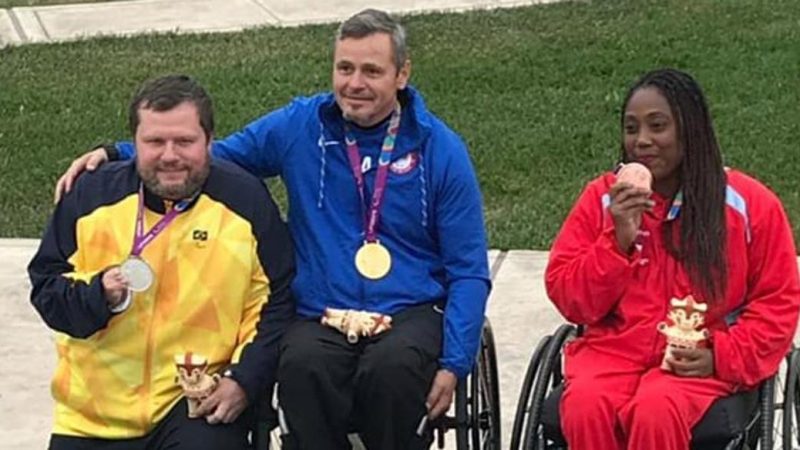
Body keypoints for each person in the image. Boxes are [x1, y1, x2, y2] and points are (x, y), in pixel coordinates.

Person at [54, 9, 491, 450]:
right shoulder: (301, 125)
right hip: (322, 308)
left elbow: (469, 269)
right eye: (345, 68)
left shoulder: (441, 150)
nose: (354, 83)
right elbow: (214, 154)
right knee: (302, 364)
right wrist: (121, 153)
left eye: (371, 70)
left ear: (402, 74)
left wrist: (455, 362)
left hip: (409, 309)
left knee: (392, 369)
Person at [30, 74, 295, 450]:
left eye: (185, 141)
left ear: (210, 141)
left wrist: (244, 379)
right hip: (93, 415)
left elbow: (278, 300)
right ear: (134, 143)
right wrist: (97, 295)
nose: (170, 155)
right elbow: (47, 288)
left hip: (194, 403)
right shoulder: (90, 197)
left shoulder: (246, 202)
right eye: (154, 141)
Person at [544, 67, 800, 449]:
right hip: (613, 353)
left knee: (655, 410)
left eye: (657, 126)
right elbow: (569, 296)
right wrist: (617, 242)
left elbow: (779, 302)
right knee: (584, 406)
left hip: (699, 357)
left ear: (689, 130)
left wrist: (721, 354)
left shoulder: (749, 205)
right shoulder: (602, 200)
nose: (642, 141)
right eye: (631, 129)